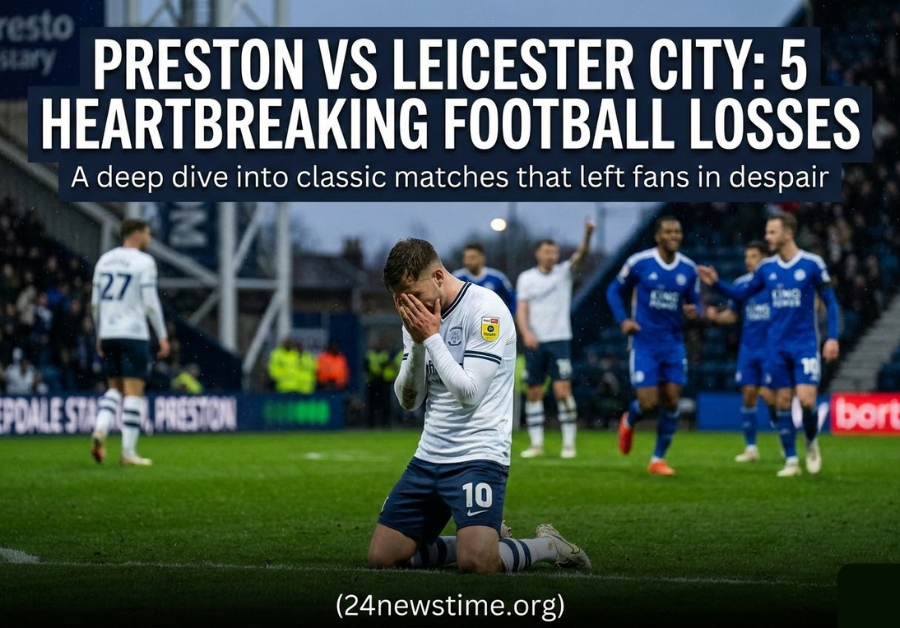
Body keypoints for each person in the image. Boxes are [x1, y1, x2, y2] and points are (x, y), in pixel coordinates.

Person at [368, 238, 590, 573]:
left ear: (438, 277)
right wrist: (415, 344)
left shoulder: (487, 309)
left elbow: (469, 393)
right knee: (382, 559)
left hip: (478, 455)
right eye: (399, 299)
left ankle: (547, 545)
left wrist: (431, 338)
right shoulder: (416, 316)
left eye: (412, 295)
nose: (408, 305)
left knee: (477, 564)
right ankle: (484, 536)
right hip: (429, 456)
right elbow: (409, 400)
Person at [698, 213, 841, 477]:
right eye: (766, 232)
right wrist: (716, 283)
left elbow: (830, 302)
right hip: (776, 345)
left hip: (805, 344)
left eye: (772, 232)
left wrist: (832, 337)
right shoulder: (766, 269)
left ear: (788, 234)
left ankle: (810, 441)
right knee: (782, 401)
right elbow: (741, 295)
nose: (767, 237)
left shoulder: (811, 264)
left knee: (807, 402)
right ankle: (791, 461)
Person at [605, 216, 700, 476]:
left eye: (677, 231)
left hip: (672, 342)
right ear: (657, 236)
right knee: (648, 403)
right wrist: (624, 321)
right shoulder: (640, 263)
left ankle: (658, 459)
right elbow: (613, 290)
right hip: (644, 341)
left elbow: (695, 301)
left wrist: (695, 310)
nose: (674, 235)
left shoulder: (688, 269)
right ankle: (630, 418)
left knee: (671, 400)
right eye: (668, 231)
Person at [89, 219, 170, 466]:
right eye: (148, 233)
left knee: (114, 389)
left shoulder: (104, 260)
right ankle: (128, 453)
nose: (150, 238)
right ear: (136, 234)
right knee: (134, 392)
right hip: (134, 332)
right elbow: (150, 302)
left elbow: (95, 302)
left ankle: (100, 428)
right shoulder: (144, 262)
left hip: (109, 331)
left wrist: (99, 332)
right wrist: (162, 334)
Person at [515, 220, 594, 459]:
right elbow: (521, 308)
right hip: (535, 342)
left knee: (562, 390)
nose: (551, 255)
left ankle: (569, 444)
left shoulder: (564, 274)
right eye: (547, 251)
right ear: (538, 253)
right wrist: (526, 333)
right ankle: (536, 444)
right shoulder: (526, 278)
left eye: (555, 252)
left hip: (559, 340)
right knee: (534, 391)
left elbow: (580, 257)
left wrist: (587, 235)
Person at [705, 241, 775, 463]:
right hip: (748, 348)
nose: (748, 260)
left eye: (753, 256)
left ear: (764, 259)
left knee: (773, 400)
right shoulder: (741, 284)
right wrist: (717, 318)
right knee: (748, 396)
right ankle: (751, 448)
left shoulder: (776, 283)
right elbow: (733, 315)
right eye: (747, 256)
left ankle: (784, 435)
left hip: (771, 348)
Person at [453, 242, 517, 315]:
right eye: (465, 257)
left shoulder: (497, 277)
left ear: (482, 258)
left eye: (472, 257)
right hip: (465, 324)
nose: (468, 261)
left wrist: (507, 317)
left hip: (491, 323)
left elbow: (512, 299)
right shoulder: (456, 278)